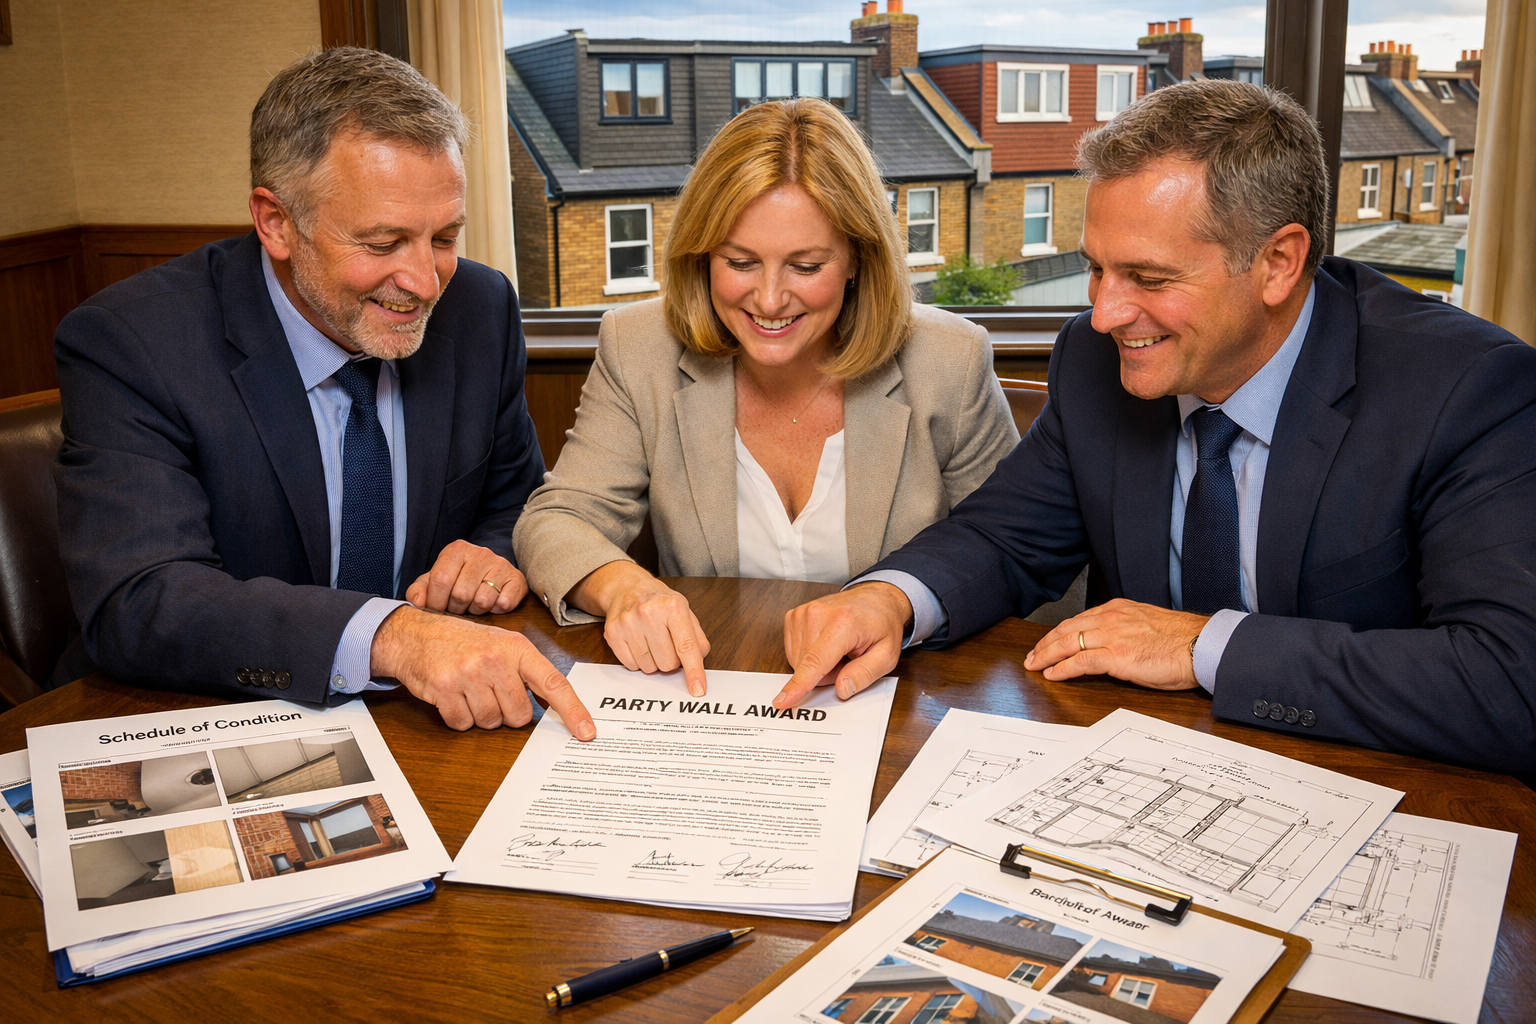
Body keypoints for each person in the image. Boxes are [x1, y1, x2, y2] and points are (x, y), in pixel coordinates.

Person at [774, 80, 1536, 774]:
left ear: (1278, 262)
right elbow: (1005, 538)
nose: (1103, 313)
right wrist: (892, 600)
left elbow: (1509, 683)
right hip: (1137, 776)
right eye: (1097, 268)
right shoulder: (1093, 357)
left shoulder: (1465, 391)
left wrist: (1202, 645)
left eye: (1149, 278)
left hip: (1376, 787)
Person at [53, 48, 595, 740]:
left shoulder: (480, 306)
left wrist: (493, 557)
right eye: (383, 241)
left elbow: (513, 501)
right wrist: (391, 636)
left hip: (424, 721)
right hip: (197, 719)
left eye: (445, 237)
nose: (425, 282)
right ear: (276, 222)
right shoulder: (135, 341)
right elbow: (141, 599)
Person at [512, 99, 1019, 698]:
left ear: (858, 256)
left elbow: (1009, 553)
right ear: (702, 255)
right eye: (741, 262)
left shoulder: (948, 360)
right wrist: (625, 587)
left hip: (904, 698)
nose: (770, 299)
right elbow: (557, 518)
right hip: (708, 701)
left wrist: (899, 607)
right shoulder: (638, 345)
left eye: (805, 266)